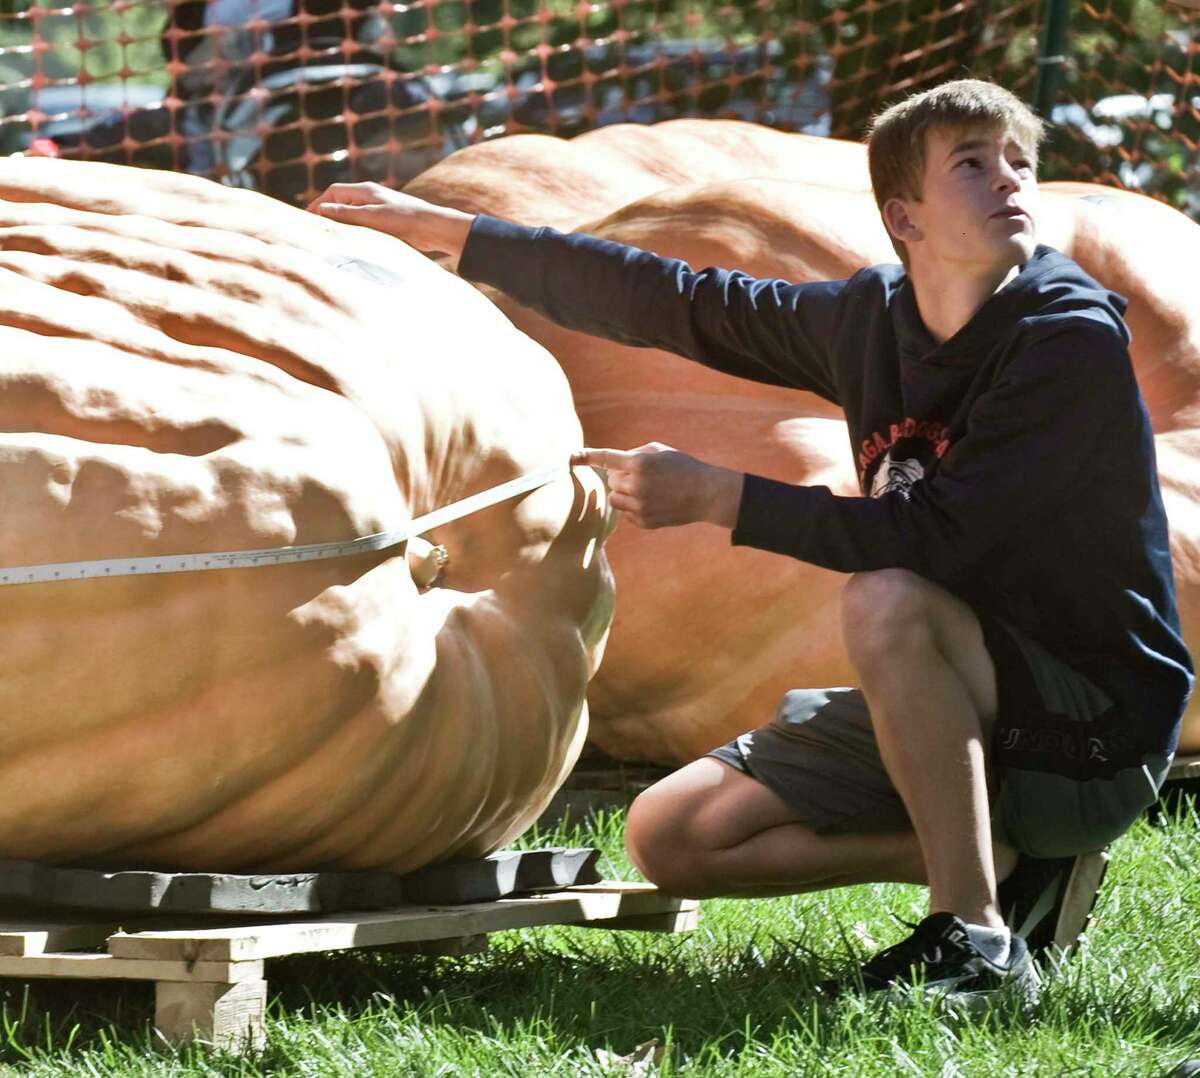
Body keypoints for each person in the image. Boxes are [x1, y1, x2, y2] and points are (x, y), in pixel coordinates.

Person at [306, 79, 1194, 1003]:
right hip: (958, 700)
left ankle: (971, 934)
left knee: (886, 594)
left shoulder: (1066, 336)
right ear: (905, 216)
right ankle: (1006, 861)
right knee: (672, 836)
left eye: (1019, 161)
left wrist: (720, 496)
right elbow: (681, 301)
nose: (1010, 179)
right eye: (972, 163)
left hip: (1089, 726)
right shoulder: (870, 321)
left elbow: (939, 537)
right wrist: (465, 238)